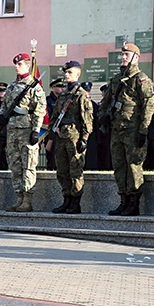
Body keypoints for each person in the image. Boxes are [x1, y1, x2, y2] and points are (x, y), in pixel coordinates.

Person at [99, 43, 154, 216]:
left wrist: (143, 131)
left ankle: (133, 202)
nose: (123, 57)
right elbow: (105, 102)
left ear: (136, 58)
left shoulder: (141, 79)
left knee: (133, 166)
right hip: (117, 130)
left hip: (132, 131)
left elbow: (148, 107)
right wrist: (103, 117)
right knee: (119, 166)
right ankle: (123, 199)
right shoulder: (116, 80)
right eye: (122, 54)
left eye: (126, 54)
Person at [0, 53, 46, 212]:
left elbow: (40, 110)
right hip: (12, 130)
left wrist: (35, 130)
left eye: (20, 64)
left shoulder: (34, 86)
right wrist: (1, 117)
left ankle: (28, 199)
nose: (16, 66)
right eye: (16, 64)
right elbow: (5, 105)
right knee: (15, 164)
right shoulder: (12, 86)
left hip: (26, 130)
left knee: (28, 164)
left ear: (27, 65)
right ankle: (19, 197)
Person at [49, 61, 93, 214]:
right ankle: (66, 199)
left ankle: (75, 202)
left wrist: (84, 139)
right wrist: (53, 131)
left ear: (77, 74)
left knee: (75, 170)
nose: (67, 75)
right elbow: (55, 115)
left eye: (70, 72)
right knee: (62, 170)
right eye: (65, 72)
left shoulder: (80, 94)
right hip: (62, 137)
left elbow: (87, 118)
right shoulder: (62, 95)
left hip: (75, 137)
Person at [45, 78, 65, 170]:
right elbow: (47, 117)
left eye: (62, 86)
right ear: (53, 88)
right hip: (51, 132)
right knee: (51, 157)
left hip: (62, 132)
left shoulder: (64, 100)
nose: (62, 89)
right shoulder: (47, 101)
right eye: (59, 87)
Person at [81, 81, 99, 171]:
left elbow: (96, 123)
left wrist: (97, 139)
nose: (87, 93)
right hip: (80, 134)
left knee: (91, 158)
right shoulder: (78, 104)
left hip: (91, 134)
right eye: (85, 90)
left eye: (88, 91)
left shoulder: (94, 105)